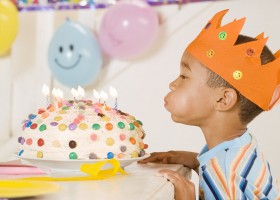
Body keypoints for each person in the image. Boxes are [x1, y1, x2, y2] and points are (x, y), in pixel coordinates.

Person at [139, 9, 280, 200]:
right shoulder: (240, 150)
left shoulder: (222, 173)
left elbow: (225, 179)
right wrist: (197, 161)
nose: (172, 84)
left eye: (184, 76)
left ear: (223, 100)